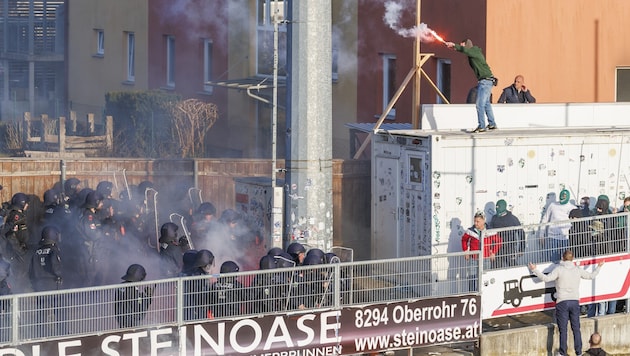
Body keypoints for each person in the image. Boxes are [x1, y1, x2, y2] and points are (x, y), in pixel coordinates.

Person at [528, 249, 604, 356]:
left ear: (563, 258)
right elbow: (591, 276)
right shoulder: (577, 269)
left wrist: (535, 270)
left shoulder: (559, 269)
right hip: (574, 301)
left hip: (562, 302)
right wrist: (599, 267)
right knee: (576, 329)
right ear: (572, 259)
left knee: (563, 330)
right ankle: (578, 352)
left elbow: (546, 278)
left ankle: (562, 352)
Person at [446, 39, 497, 133]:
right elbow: (465, 50)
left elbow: (465, 50)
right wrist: (455, 48)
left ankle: (482, 126)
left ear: (467, 44)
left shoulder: (474, 51)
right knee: (486, 104)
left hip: (485, 81)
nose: (461, 46)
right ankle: (492, 124)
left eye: (462, 45)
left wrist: (454, 45)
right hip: (487, 80)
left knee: (479, 104)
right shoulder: (473, 52)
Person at [461, 211, 502, 290]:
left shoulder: (490, 231)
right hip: (474, 258)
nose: (476, 223)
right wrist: (465, 250)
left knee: (485, 278)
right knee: (472, 278)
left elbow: (498, 241)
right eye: (475, 221)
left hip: (485, 258)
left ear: (483, 221)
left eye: (478, 221)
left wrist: (493, 252)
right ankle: (473, 294)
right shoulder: (470, 231)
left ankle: (486, 293)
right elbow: (464, 240)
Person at [539, 189, 575, 263]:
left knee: (565, 261)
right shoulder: (553, 205)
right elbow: (545, 219)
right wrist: (541, 235)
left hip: (565, 238)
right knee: (550, 260)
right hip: (552, 237)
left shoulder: (572, 208)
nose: (562, 199)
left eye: (564, 197)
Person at [114, 264, 154, 328]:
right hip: (131, 321)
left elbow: (133, 299)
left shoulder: (121, 286)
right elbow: (138, 306)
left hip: (121, 319)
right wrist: (147, 297)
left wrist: (141, 296)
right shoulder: (132, 288)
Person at [488, 199, 525, 267]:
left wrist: (521, 249)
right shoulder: (494, 218)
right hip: (497, 248)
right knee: (496, 268)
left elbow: (521, 233)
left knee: (513, 267)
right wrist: (491, 250)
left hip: (509, 248)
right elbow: (490, 235)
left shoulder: (512, 219)